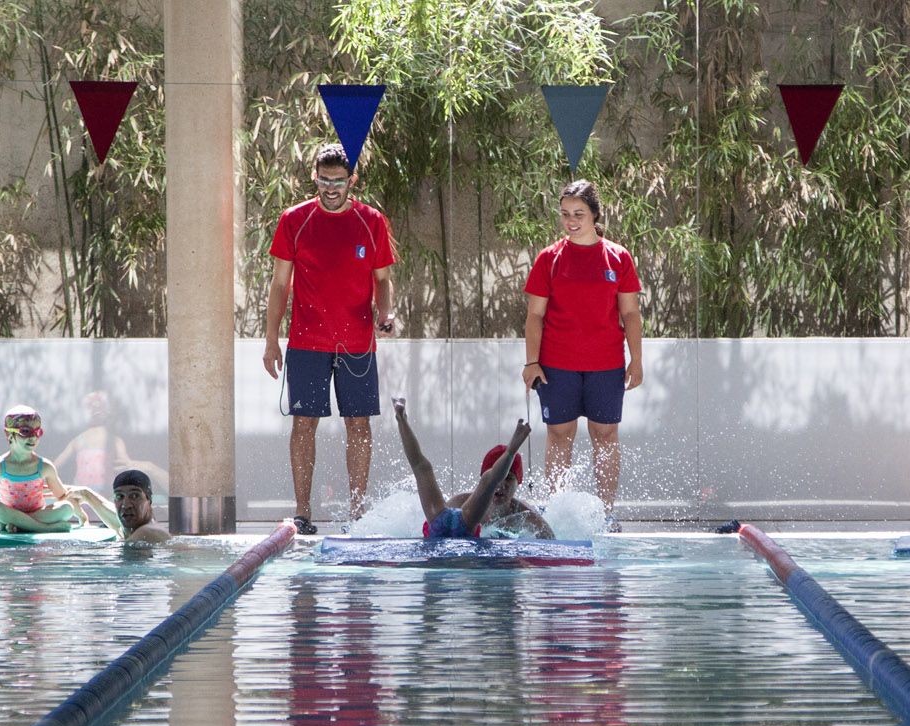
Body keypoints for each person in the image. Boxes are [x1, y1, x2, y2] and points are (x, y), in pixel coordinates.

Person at [262, 143, 398, 535]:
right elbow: (279, 285)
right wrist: (272, 340)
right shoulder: (295, 220)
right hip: (307, 341)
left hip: (357, 344)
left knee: (359, 424)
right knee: (304, 423)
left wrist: (384, 315)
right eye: (324, 180)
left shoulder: (371, 221)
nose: (331, 188)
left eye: (339, 181)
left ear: (352, 180)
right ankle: (303, 513)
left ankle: (358, 515)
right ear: (314, 178)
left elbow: (383, 281)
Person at [521, 180, 643, 531]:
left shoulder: (618, 257)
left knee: (605, 434)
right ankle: (557, 512)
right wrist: (532, 362)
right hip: (558, 363)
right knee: (560, 434)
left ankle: (606, 513)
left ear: (594, 215)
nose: (571, 221)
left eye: (578, 214)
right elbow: (535, 315)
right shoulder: (550, 258)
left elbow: (631, 314)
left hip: (606, 364)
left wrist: (636, 359)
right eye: (565, 214)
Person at [391, 396, 540, 539]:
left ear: (518, 482)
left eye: (509, 478)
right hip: (461, 526)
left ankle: (401, 419)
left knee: (421, 468)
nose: (502, 485)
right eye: (503, 477)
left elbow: (548, 536)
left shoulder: (524, 513)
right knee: (490, 481)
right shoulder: (465, 500)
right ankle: (511, 451)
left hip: (438, 524)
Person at [0, 406, 86, 533]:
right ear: (9, 435)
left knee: (67, 507)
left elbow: (62, 496)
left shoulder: (44, 467)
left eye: (38, 432)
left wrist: (80, 514)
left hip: (34, 515)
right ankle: (44, 528)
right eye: (25, 432)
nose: (33, 437)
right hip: (9, 514)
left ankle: (21, 526)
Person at [53, 390, 170, 494]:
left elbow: (125, 464)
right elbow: (55, 465)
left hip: (105, 490)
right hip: (83, 490)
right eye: (91, 407)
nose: (95, 410)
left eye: (98, 407)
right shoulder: (80, 440)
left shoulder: (113, 440)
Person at [67, 469, 172, 543]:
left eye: (134, 496)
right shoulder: (138, 529)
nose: (126, 505)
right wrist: (86, 494)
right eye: (120, 496)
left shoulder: (147, 533)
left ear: (149, 499)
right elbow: (116, 522)